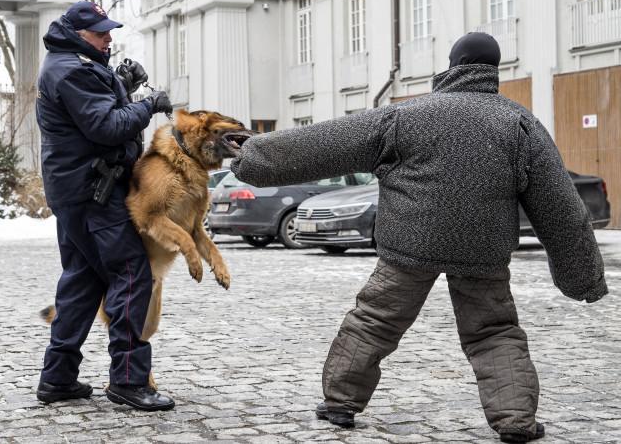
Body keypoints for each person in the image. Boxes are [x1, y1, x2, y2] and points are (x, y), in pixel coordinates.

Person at [231, 32, 607, 442]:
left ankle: (340, 404)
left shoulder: (406, 116)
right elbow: (561, 208)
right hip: (482, 251)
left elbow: (323, 144)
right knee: (494, 331)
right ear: (493, 70)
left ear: (451, 65)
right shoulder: (518, 123)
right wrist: (582, 278)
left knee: (373, 322)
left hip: (409, 245)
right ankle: (515, 421)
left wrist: (252, 155)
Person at [34, 0, 175, 411]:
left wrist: (121, 86)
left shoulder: (70, 63)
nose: (109, 38)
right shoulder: (72, 69)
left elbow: (92, 114)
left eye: (109, 31)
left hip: (77, 191)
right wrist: (148, 104)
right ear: (80, 35)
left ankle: (58, 379)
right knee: (131, 276)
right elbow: (107, 126)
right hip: (95, 192)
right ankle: (129, 382)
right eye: (101, 32)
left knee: (81, 283)